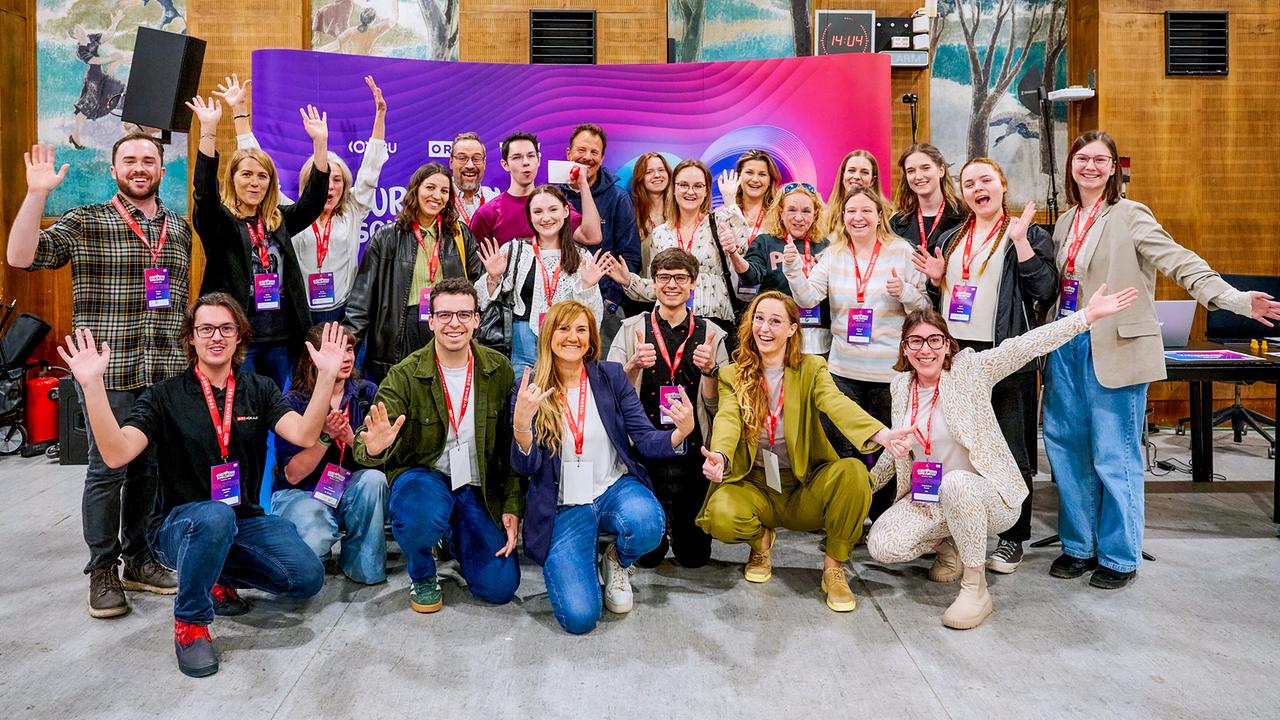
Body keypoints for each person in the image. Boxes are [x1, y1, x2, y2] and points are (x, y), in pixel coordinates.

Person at [56, 294, 346, 678]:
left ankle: (218, 577)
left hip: (241, 520)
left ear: (240, 336)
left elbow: (306, 434)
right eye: (205, 329)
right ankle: (191, 623)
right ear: (190, 338)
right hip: (179, 526)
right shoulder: (164, 396)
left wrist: (326, 376)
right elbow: (116, 454)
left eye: (226, 328)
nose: (216, 337)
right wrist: (93, 387)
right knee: (213, 516)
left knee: (305, 577)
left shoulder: (258, 389)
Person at [1042, 131, 1280, 589]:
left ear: (1114, 169)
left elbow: (1180, 262)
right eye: (1082, 158)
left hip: (1116, 347)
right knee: (1068, 452)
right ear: (1071, 165)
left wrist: (1233, 299)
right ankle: (1078, 546)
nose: (1090, 166)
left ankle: (1118, 554)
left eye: (1100, 160)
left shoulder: (1130, 215)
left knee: (1115, 456)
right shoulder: (1067, 220)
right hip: (1067, 345)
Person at [867, 287, 1136, 628]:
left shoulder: (969, 371)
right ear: (904, 349)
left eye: (934, 340)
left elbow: (1024, 346)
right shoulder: (900, 387)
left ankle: (975, 589)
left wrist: (1086, 317)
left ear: (948, 345)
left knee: (957, 483)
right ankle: (950, 545)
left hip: (989, 498)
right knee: (884, 545)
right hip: (930, 499)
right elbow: (896, 450)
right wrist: (862, 485)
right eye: (915, 342)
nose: (925, 350)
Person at [7, 136, 189, 618]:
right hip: (109, 371)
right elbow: (22, 256)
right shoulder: (88, 220)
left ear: (161, 170)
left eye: (148, 160)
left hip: (164, 369)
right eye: (129, 160)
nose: (139, 167)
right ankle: (103, 568)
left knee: (149, 469)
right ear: (114, 170)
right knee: (107, 471)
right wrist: (36, 195)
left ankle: (140, 558)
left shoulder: (180, 228)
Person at [697, 292, 909, 612]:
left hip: (804, 485)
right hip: (756, 484)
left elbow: (836, 404)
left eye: (775, 321)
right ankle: (760, 543)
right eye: (758, 318)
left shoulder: (812, 368)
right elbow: (727, 419)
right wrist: (721, 457)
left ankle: (834, 567)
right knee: (720, 515)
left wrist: (882, 434)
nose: (764, 328)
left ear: (793, 329)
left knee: (854, 473)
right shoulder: (732, 374)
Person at [511, 300, 696, 634]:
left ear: (592, 338)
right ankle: (582, 567)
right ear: (549, 335)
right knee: (580, 617)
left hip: (613, 489)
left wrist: (679, 433)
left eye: (581, 329)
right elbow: (525, 468)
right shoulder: (530, 388)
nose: (573, 337)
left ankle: (616, 560)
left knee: (648, 524)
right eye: (564, 328)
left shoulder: (610, 376)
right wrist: (522, 425)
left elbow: (643, 437)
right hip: (564, 506)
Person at [912, 157, 1058, 573]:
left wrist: (1024, 245)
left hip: (1006, 354)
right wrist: (935, 279)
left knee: (1012, 450)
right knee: (957, 447)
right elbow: (943, 292)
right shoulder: (952, 236)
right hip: (956, 358)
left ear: (1002, 185)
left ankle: (1013, 539)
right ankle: (960, 532)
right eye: (970, 182)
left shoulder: (1026, 233)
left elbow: (1045, 289)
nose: (978, 187)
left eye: (986, 180)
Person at [352, 278, 522, 613]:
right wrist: (373, 447)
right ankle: (423, 570)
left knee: (500, 587)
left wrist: (512, 504)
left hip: (476, 485)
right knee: (420, 517)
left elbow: (508, 447)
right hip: (425, 478)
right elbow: (365, 440)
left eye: (463, 314)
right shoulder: (405, 374)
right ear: (430, 321)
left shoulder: (497, 368)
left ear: (477, 318)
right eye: (444, 315)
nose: (454, 323)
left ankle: (454, 538)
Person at [218, 73, 390, 325]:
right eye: (324, 179)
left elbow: (371, 170)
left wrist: (380, 117)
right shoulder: (289, 212)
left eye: (338, 180)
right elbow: (257, 162)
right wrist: (240, 113)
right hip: (300, 313)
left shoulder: (353, 211)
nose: (330, 187)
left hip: (344, 313)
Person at [187, 94, 331, 388]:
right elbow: (204, 193)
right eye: (247, 174)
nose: (255, 182)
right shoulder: (220, 223)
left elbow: (313, 203)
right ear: (233, 178)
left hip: (282, 339)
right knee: (241, 414)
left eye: (263, 176)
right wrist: (209, 131)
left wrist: (320, 144)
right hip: (238, 338)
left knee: (280, 411)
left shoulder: (278, 221)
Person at [783, 186, 929, 477]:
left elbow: (924, 307)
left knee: (891, 452)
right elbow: (808, 298)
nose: (857, 217)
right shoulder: (832, 255)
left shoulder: (901, 252)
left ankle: (884, 517)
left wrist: (905, 293)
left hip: (889, 373)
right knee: (843, 447)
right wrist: (793, 270)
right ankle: (853, 510)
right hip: (843, 372)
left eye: (865, 211)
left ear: (879, 216)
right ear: (843, 215)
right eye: (851, 211)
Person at [607, 249, 729, 568]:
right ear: (653, 283)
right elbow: (609, 393)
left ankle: (681, 523)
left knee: (694, 558)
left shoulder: (712, 334)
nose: (671, 284)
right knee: (648, 559)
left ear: (693, 284)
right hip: (646, 449)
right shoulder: (632, 328)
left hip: (693, 451)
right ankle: (659, 523)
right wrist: (633, 366)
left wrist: (712, 372)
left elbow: (720, 409)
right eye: (663, 277)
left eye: (680, 278)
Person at [344, 162, 484, 382]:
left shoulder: (460, 234)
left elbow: (479, 288)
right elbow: (361, 301)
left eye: (444, 191)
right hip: (400, 333)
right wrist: (346, 348)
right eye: (430, 187)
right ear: (416, 189)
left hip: (446, 326)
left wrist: (493, 277)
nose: (437, 196)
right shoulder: (386, 237)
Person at [272, 323, 387, 585]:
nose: (346, 358)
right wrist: (324, 437)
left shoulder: (366, 393)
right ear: (314, 358)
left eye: (349, 349)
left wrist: (350, 437)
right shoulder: (292, 402)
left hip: (346, 486)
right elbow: (292, 474)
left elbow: (380, 463)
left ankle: (362, 563)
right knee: (313, 546)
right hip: (300, 492)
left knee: (373, 480)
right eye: (335, 350)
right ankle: (316, 548)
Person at [477, 185, 615, 379]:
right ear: (530, 216)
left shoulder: (582, 257)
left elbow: (593, 319)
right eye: (538, 212)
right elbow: (481, 302)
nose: (546, 218)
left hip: (567, 346)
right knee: (522, 401)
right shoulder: (515, 250)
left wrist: (588, 286)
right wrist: (493, 277)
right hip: (521, 348)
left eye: (553, 209)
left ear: (566, 211)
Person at [613, 159, 748, 337]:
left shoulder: (719, 222)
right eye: (683, 185)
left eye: (698, 186)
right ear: (673, 188)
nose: (690, 192)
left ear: (706, 191)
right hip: (670, 326)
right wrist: (628, 280)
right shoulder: (660, 234)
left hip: (714, 321)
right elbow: (656, 288)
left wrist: (730, 200)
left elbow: (742, 245)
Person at [562, 124, 643, 325]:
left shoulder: (618, 198)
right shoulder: (553, 197)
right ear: (568, 153)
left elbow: (630, 256)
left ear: (602, 158)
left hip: (605, 306)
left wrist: (612, 300)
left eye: (594, 152)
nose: (587, 157)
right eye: (581, 150)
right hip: (560, 301)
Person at [739, 182, 831, 355]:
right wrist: (733, 255)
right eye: (791, 210)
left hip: (817, 340)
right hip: (775, 335)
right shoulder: (765, 242)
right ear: (780, 212)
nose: (799, 217)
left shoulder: (826, 246)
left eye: (806, 211)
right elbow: (750, 277)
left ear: (815, 214)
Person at [468, 131, 601, 248]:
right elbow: (476, 266)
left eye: (531, 156)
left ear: (538, 160)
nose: (526, 162)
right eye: (517, 157)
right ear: (505, 165)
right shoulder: (487, 214)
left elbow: (591, 237)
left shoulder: (555, 204)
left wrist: (583, 184)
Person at [716, 150, 782, 301]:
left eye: (762, 174)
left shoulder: (779, 217)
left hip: (767, 297)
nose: (755, 179)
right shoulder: (722, 212)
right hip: (727, 298)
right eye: (749, 172)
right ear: (739, 176)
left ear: (771, 179)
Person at [67, 11, 127, 150]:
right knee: (86, 106)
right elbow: (94, 60)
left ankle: (75, 136)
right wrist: (112, 58)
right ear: (74, 35)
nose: (80, 29)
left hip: (99, 74)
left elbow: (107, 36)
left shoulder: (91, 38)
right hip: (93, 78)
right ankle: (75, 136)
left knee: (103, 98)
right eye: (76, 30)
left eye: (79, 26)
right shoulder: (80, 49)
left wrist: (115, 21)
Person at [889, 143, 965, 250]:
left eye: (925, 168)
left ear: (941, 170)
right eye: (911, 171)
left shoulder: (965, 215)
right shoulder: (896, 223)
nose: (918, 176)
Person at [821, 149, 882, 239]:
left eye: (864, 172)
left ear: (873, 180)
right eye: (851, 170)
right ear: (843, 175)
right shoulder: (825, 216)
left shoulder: (887, 215)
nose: (856, 177)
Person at [629, 151, 672, 272]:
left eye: (661, 170)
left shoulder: (681, 211)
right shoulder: (631, 215)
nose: (657, 175)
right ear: (640, 178)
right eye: (649, 172)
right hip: (644, 286)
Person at [450, 132, 500, 226]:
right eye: (462, 158)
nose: (470, 165)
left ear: (484, 163)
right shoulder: (440, 200)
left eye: (476, 159)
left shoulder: (495, 201)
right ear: (451, 162)